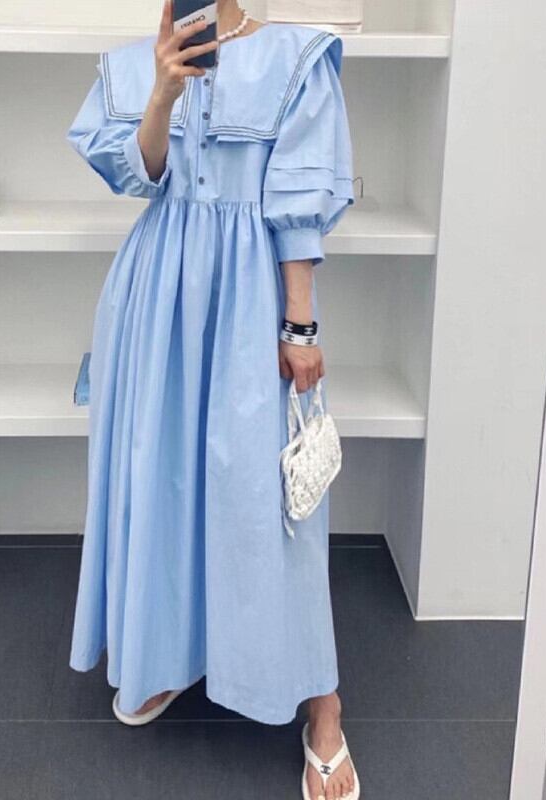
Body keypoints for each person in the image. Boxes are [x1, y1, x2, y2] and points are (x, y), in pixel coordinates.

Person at [66, 2, 357, 797]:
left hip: (250, 292)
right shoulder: (135, 62)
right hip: (157, 292)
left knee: (268, 494)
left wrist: (300, 325)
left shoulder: (297, 57)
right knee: (159, 476)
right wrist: (162, 90)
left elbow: (298, 198)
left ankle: (322, 702)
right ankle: (166, 653)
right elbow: (138, 176)